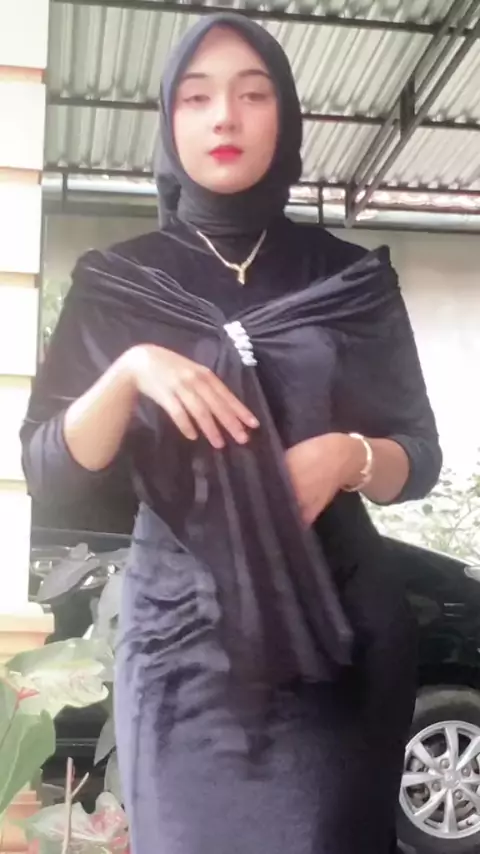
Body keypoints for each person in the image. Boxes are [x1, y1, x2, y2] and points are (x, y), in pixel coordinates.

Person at [21, 13, 442, 854]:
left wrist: (350, 455)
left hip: (337, 638)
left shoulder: (349, 277)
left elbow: (419, 455)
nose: (225, 117)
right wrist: (132, 370)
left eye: (253, 95)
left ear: (284, 116)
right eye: (197, 96)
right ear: (168, 120)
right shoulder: (117, 282)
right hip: (180, 646)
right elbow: (50, 471)